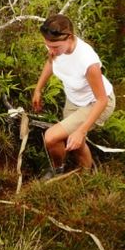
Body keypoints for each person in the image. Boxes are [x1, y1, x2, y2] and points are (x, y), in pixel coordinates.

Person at [30, 14, 115, 178]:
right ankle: (84, 173)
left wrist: (81, 131)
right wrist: (38, 89)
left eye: (56, 47)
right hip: (74, 100)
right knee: (75, 142)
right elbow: (50, 62)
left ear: (69, 37)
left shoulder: (88, 61)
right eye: (49, 46)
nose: (52, 51)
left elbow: (102, 100)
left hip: (96, 103)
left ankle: (60, 171)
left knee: (51, 138)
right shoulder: (55, 47)